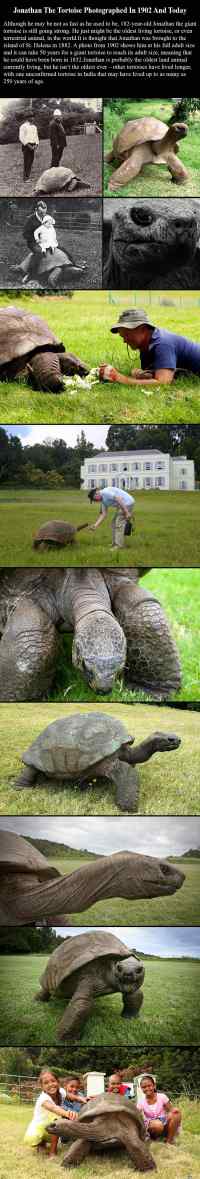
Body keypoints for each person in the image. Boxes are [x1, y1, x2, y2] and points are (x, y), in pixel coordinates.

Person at [109, 308, 200, 385]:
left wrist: (122, 379)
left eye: (127, 335)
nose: (124, 340)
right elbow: (150, 373)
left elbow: (163, 382)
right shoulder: (145, 344)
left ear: (143, 329)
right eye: (123, 336)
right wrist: (140, 373)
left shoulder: (162, 343)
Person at [24, 1068, 77, 1157]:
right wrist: (68, 1113)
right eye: (46, 1083)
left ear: (58, 1082)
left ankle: (53, 1151)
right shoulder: (43, 1098)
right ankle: (41, 1143)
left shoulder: (61, 1091)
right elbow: (53, 1108)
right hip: (39, 1127)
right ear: (42, 1086)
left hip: (52, 1127)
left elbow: (69, 1095)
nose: (51, 1084)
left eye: (53, 1081)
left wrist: (81, 1098)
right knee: (32, 1137)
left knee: (55, 1120)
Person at [137, 1074, 182, 1145]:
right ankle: (154, 1138)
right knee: (158, 1125)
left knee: (176, 1112)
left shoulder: (162, 1097)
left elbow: (171, 1110)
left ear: (154, 1086)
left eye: (149, 1086)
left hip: (164, 1122)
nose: (147, 1088)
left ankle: (169, 1141)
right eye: (144, 1087)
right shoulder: (141, 1101)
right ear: (141, 1089)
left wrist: (174, 1112)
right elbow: (137, 1115)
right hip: (152, 1125)